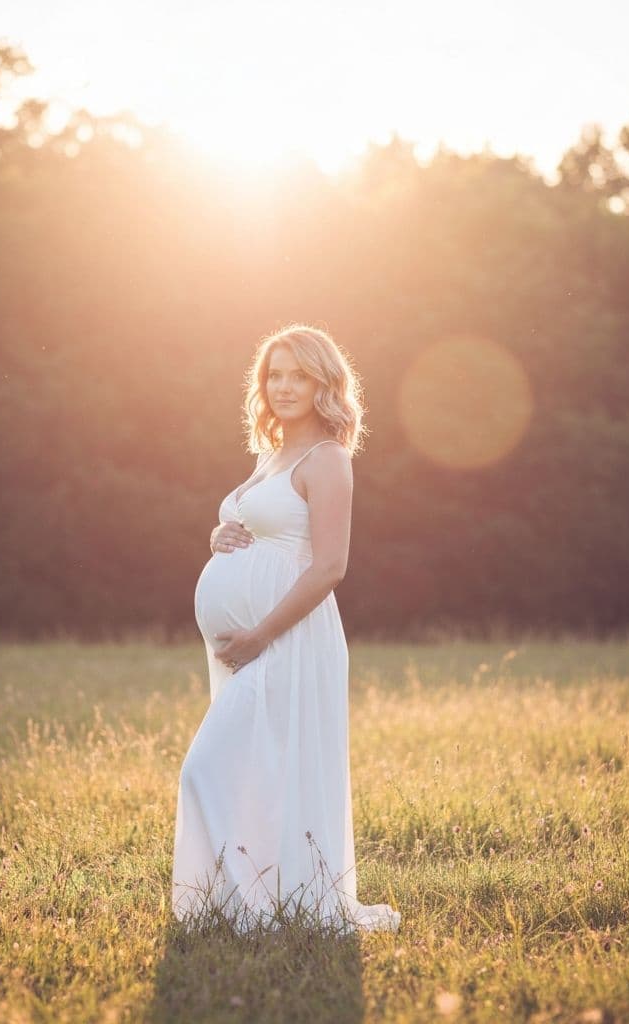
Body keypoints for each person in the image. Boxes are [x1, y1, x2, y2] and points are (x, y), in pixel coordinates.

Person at [172, 323, 401, 934]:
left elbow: (329, 566)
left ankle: (253, 908)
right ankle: (242, 905)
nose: (284, 386)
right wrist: (218, 535)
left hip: (288, 640)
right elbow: (264, 529)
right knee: (255, 771)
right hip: (253, 644)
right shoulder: (271, 456)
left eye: (299, 375)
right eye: (275, 375)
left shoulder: (327, 459)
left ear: (324, 383)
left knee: (207, 768)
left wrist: (259, 635)